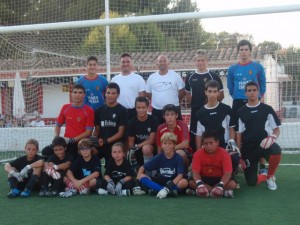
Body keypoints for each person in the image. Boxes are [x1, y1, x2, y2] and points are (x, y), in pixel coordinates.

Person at [236, 81, 282, 190]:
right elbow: (238, 134)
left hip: (264, 145)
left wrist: (272, 137)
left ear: (258, 92)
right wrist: (239, 154)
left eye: (254, 90)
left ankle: (270, 177)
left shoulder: (267, 109)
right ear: (245, 93)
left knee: (276, 150)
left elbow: (276, 129)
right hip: (248, 149)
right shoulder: (240, 112)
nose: (252, 93)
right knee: (251, 182)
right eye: (249, 90)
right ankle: (264, 176)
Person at [192, 80, 240, 173]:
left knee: (234, 157)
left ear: (218, 93)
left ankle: (229, 177)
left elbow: (231, 127)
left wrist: (231, 141)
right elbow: (198, 135)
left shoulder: (226, 109)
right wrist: (198, 152)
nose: (212, 94)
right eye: (210, 91)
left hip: (224, 145)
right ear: (205, 92)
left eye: (215, 91)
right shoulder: (200, 113)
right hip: (208, 146)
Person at [42, 84, 94, 160]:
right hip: (67, 142)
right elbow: (58, 125)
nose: (77, 95)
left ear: (84, 95)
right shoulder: (65, 107)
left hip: (81, 143)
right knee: (46, 151)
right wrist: (57, 137)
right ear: (71, 94)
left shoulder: (89, 110)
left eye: (80, 92)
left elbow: (89, 132)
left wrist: (73, 140)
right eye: (75, 92)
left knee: (74, 163)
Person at [185, 49, 224, 151]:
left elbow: (221, 95)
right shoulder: (190, 77)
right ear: (195, 61)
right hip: (196, 110)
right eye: (198, 60)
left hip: (211, 110)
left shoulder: (214, 76)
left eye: (202, 60)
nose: (200, 63)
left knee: (212, 133)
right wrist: (194, 103)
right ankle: (195, 157)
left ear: (207, 61)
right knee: (195, 133)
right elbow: (188, 94)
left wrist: (212, 104)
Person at [137, 132, 188, 199]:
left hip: (173, 183)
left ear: (174, 145)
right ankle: (166, 191)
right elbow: (142, 167)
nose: (167, 145)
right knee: (141, 176)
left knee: (184, 182)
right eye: (165, 143)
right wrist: (138, 183)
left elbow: (180, 175)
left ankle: (159, 190)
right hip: (160, 181)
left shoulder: (178, 158)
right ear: (162, 145)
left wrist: (168, 187)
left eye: (170, 143)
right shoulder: (159, 157)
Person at [189, 131, 236, 198]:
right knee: (191, 183)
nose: (208, 146)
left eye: (211, 143)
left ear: (217, 142)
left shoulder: (224, 153)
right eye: (206, 143)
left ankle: (203, 192)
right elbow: (195, 172)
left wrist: (220, 185)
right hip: (204, 178)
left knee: (232, 184)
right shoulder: (197, 154)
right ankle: (218, 192)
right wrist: (200, 184)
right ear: (202, 144)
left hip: (219, 178)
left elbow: (227, 173)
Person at [93, 82, 128, 164]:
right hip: (101, 144)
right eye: (108, 93)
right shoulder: (99, 110)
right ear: (105, 94)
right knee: (88, 154)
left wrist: (105, 141)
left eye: (113, 93)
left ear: (118, 95)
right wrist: (94, 142)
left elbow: (120, 133)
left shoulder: (123, 111)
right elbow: (97, 131)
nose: (110, 95)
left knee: (110, 168)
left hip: (115, 145)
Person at [146, 55, 185, 124]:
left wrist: (175, 101)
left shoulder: (175, 76)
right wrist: (157, 100)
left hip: (173, 110)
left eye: (164, 61)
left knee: (176, 131)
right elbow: (148, 93)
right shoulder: (151, 77)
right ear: (157, 63)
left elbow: (182, 91)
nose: (162, 63)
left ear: (168, 63)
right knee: (158, 132)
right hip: (157, 111)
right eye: (160, 61)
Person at [111, 53, 146, 119]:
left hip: (133, 112)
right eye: (123, 62)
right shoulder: (114, 79)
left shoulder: (138, 78)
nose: (125, 64)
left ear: (131, 63)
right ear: (120, 64)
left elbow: (142, 98)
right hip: (118, 111)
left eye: (128, 62)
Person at [127, 96, 159, 167]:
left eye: (143, 107)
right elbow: (131, 143)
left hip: (151, 149)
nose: (141, 110)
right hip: (137, 150)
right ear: (135, 108)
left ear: (147, 107)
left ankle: (149, 172)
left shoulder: (154, 120)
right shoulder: (131, 122)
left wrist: (137, 146)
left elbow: (151, 140)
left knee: (146, 148)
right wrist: (131, 153)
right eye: (138, 108)